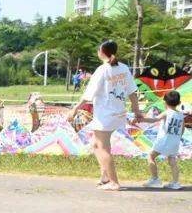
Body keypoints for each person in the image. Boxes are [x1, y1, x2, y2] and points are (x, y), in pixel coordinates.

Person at [67, 40, 141, 191]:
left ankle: (114, 182)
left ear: (102, 52)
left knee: (102, 148)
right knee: (96, 145)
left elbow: (88, 95)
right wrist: (137, 110)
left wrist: (74, 110)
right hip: (118, 113)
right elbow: (132, 92)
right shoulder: (124, 68)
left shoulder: (102, 70)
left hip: (105, 115)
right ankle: (105, 176)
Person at [139, 90, 184, 190]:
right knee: (172, 160)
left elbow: (155, 119)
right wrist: (177, 138)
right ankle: (176, 183)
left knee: (151, 156)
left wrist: (142, 119)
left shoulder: (167, 112)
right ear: (179, 103)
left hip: (164, 141)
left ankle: (155, 179)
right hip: (175, 142)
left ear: (164, 102)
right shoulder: (181, 115)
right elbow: (182, 129)